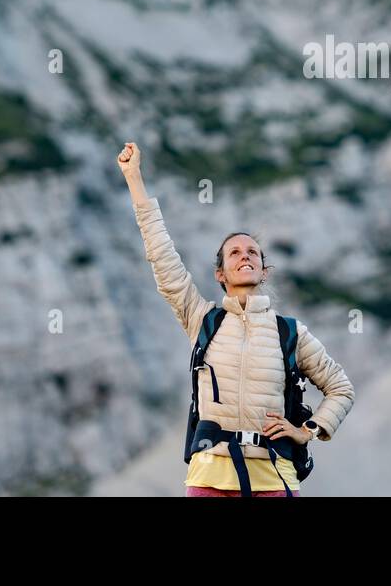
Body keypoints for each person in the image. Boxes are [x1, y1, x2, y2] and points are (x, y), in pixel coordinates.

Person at [117, 142, 355, 496]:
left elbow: (341, 388)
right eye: (234, 252)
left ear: (264, 270)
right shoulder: (203, 319)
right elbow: (162, 258)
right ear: (220, 274)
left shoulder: (288, 332)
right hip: (209, 475)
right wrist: (134, 178)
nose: (244, 256)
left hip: (274, 475)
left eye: (252, 252)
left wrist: (306, 430)